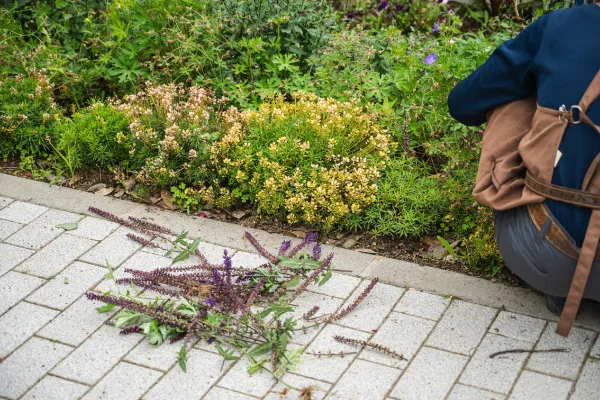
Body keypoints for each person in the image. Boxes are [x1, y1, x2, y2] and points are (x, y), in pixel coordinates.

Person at [448, 2, 600, 335]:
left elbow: (462, 104)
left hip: (545, 257)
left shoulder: (561, 25)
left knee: (518, 90)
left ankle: (563, 287)